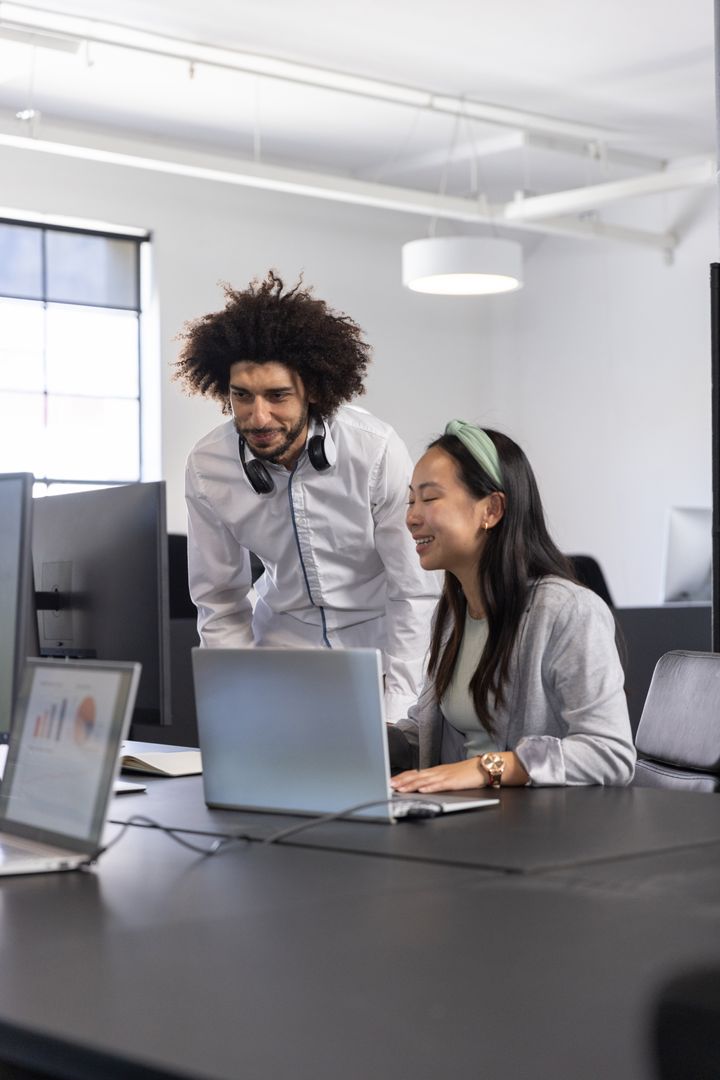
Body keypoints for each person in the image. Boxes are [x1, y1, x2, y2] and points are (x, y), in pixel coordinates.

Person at [174, 271, 439, 721]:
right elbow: (219, 597)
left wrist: (398, 707)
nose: (258, 417)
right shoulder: (208, 467)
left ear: (312, 390)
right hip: (281, 657)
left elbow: (414, 591)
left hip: (377, 655)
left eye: (278, 396)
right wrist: (235, 700)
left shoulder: (373, 450)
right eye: (242, 396)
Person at [391, 420, 636, 789]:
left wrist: (486, 767)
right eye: (411, 500)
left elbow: (610, 753)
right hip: (467, 823)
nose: (411, 517)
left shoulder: (567, 611)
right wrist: (359, 741)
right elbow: (432, 739)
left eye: (429, 498)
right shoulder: (453, 616)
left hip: (535, 832)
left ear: (491, 509)